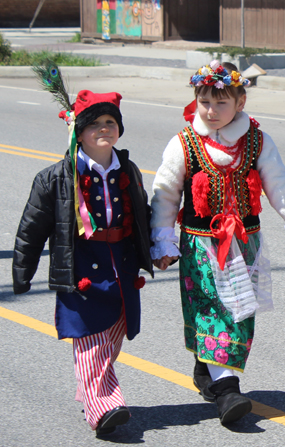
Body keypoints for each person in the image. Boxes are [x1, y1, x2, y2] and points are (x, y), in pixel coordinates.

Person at [150, 61, 285, 425]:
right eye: (204, 101)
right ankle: (227, 389)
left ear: (240, 101)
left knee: (240, 313)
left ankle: (208, 369)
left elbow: (278, 184)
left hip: (246, 244)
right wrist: (162, 240)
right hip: (202, 247)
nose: (211, 110)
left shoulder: (257, 142)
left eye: (221, 102)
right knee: (213, 310)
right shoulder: (183, 142)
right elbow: (165, 196)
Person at [12, 89, 154, 437]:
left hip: (121, 264)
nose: (103, 129)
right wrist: (22, 272)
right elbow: (32, 228)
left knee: (113, 336)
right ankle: (103, 407)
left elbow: (142, 216)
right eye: (94, 124)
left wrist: (156, 249)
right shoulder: (55, 177)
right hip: (81, 266)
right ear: (78, 130)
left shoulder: (129, 169)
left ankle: (91, 393)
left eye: (110, 122)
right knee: (91, 339)